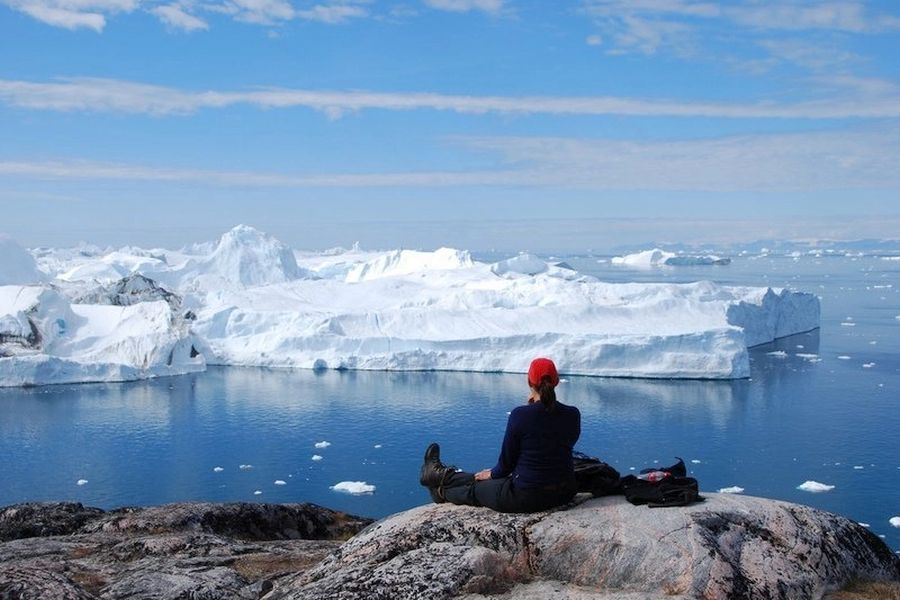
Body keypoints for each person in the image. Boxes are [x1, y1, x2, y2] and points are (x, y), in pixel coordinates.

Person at [419, 357, 581, 513]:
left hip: (527, 497)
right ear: (556, 382)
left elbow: (506, 465)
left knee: (478, 488)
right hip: (564, 493)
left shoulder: (520, 415)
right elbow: (555, 447)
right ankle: (441, 475)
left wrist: (492, 474)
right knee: (489, 478)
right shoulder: (573, 414)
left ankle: (440, 492)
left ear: (529, 382)